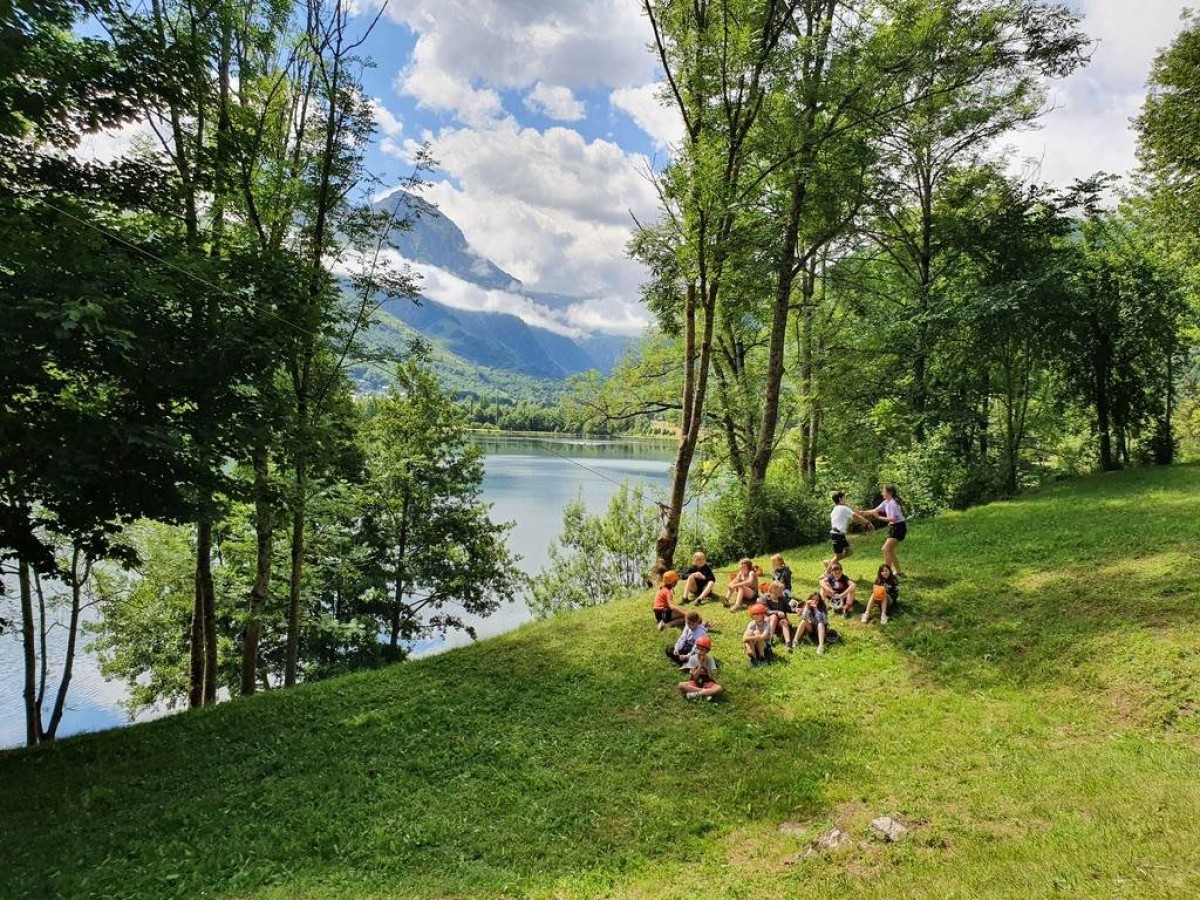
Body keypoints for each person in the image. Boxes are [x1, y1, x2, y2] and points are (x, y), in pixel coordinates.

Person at [858, 484, 906, 577]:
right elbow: (875, 510)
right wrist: (862, 513)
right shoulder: (886, 502)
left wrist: (879, 517)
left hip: (899, 527)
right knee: (890, 550)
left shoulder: (893, 503)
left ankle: (887, 574)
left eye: (883, 491)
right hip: (893, 527)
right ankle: (898, 572)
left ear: (890, 493)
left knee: (885, 549)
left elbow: (893, 519)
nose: (882, 493)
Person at [828, 491, 874, 569]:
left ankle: (831, 562)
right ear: (840, 499)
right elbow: (857, 517)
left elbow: (854, 517)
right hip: (838, 535)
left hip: (837, 534)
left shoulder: (835, 508)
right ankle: (826, 573)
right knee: (839, 555)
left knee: (849, 552)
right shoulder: (843, 508)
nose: (845, 499)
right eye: (844, 498)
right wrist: (868, 523)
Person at [677, 635, 722, 700]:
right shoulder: (692, 658)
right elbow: (694, 677)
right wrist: (700, 665)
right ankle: (705, 693)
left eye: (702, 650)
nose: (699, 651)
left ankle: (695, 694)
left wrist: (706, 667)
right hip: (695, 682)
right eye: (698, 648)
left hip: (707, 681)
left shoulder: (710, 658)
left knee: (719, 688)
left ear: (707, 651)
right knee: (680, 685)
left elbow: (711, 676)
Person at [762, 581, 795, 651]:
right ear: (774, 590)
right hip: (769, 621)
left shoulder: (782, 599)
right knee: (774, 616)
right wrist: (777, 612)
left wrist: (797, 610)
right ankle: (770, 639)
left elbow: (789, 609)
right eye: (780, 590)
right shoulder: (766, 599)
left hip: (780, 622)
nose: (782, 592)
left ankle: (788, 643)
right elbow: (767, 611)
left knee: (784, 621)